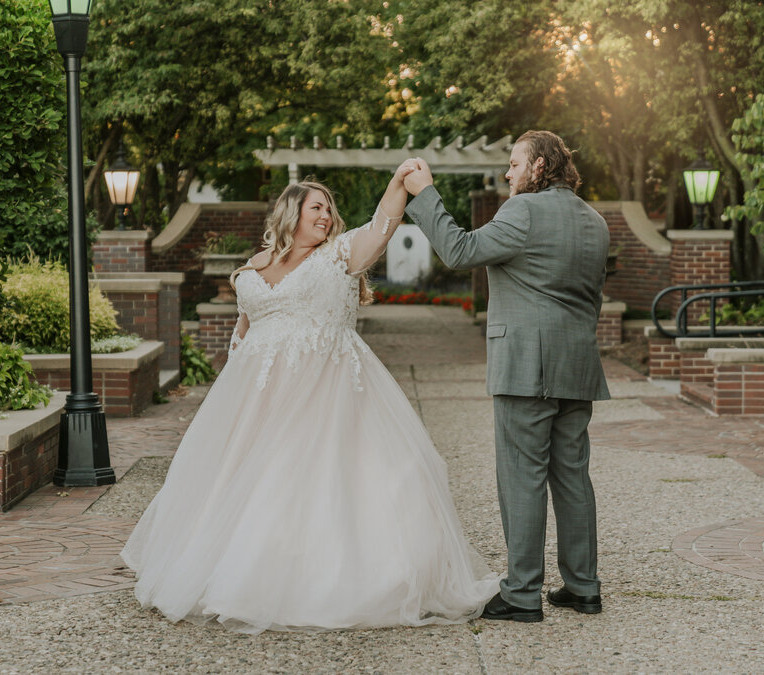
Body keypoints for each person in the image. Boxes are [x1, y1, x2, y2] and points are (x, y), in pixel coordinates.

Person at [120, 170, 499, 634]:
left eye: (329, 209)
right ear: (291, 213)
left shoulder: (340, 254)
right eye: (316, 207)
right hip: (261, 398)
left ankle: (326, 582)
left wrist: (402, 179)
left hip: (329, 391)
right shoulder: (253, 266)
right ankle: (247, 575)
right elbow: (243, 334)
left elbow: (383, 223)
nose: (326, 215)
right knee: (254, 483)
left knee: (324, 481)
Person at [400, 130, 610, 622]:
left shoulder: (523, 211)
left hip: (526, 367)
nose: (508, 173)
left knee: (522, 478)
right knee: (573, 477)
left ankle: (521, 594)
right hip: (577, 363)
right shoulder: (595, 221)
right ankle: (583, 587)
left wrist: (424, 193)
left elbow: (459, 251)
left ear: (539, 167)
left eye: (515, 163)